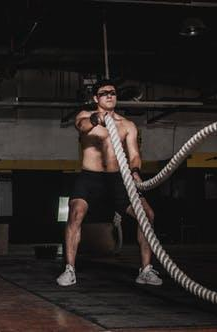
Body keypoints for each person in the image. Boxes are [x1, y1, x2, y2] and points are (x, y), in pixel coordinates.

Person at [56, 79, 162, 287]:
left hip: (118, 179)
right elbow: (82, 126)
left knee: (147, 215)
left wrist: (135, 172)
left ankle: (146, 270)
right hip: (90, 177)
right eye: (104, 93)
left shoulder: (127, 125)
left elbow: (134, 155)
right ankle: (69, 270)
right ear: (96, 98)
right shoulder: (86, 117)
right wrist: (98, 119)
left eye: (112, 92)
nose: (109, 95)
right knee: (76, 212)